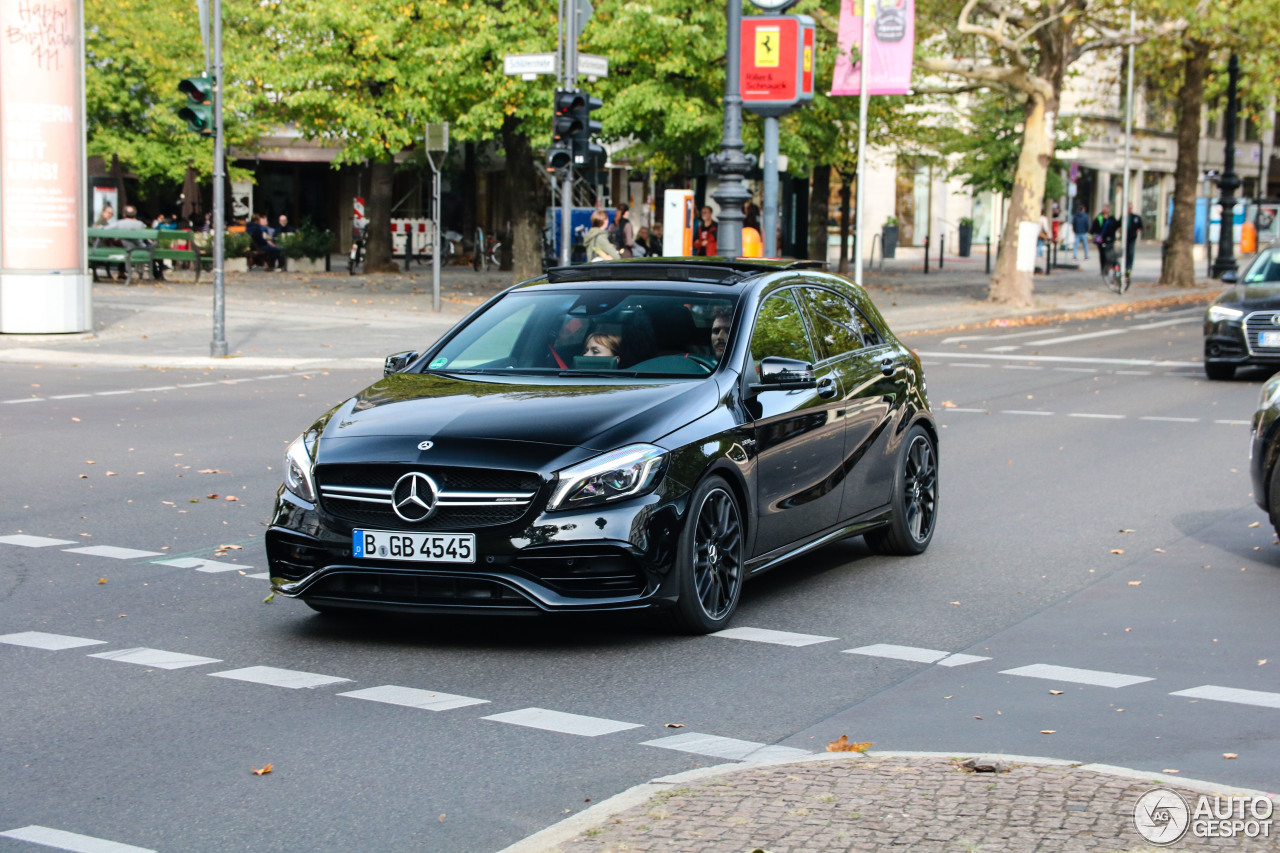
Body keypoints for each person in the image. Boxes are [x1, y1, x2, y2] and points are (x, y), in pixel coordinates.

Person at [106, 204, 164, 281]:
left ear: (124, 214)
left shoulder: (119, 223)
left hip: (126, 248)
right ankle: (157, 274)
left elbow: (105, 229)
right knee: (152, 249)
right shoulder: (140, 224)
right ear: (135, 214)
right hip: (139, 248)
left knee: (125, 249)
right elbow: (144, 236)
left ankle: (122, 272)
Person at [1089, 204, 1119, 275]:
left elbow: (1116, 225)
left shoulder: (1112, 218)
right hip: (1101, 240)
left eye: (1106, 208)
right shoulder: (1099, 217)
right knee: (1102, 255)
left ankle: (1109, 267)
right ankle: (1103, 269)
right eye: (1104, 208)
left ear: (1109, 209)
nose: (1105, 210)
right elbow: (1094, 227)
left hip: (1110, 239)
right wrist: (1090, 235)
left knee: (1110, 255)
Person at [1123, 203, 1143, 277]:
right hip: (1125, 238)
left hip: (1132, 237)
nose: (1129, 209)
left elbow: (1140, 226)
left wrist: (1138, 230)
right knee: (1125, 252)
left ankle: (1129, 269)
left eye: (1131, 208)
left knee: (1130, 253)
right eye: (1128, 208)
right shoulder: (1124, 217)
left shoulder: (1136, 217)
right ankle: (1124, 267)